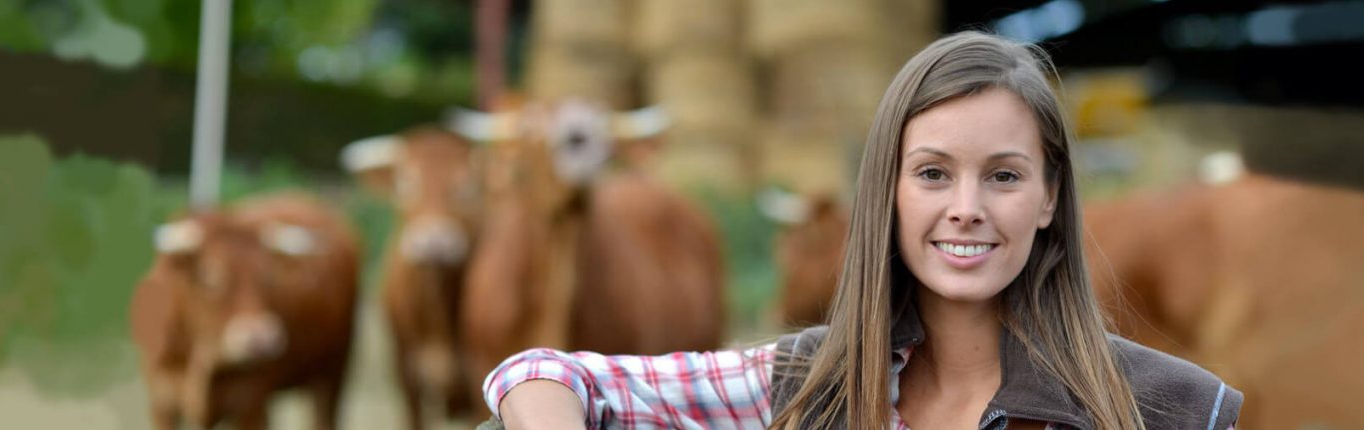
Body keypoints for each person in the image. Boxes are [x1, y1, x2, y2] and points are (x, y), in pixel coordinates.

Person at [481, 30, 1243, 430]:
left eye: (1005, 176)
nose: (966, 207)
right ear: (889, 193)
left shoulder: (1171, 407)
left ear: (1050, 200)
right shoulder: (809, 384)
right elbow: (541, 373)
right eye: (934, 173)